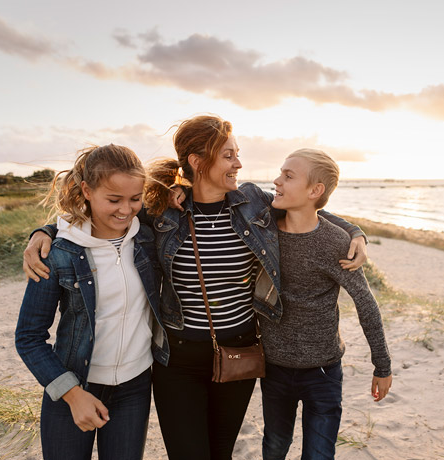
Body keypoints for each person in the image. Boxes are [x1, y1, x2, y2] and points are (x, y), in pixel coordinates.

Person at [23, 115, 368, 460]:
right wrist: (46, 232)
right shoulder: (162, 210)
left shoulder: (251, 202)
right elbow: (97, 215)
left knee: (220, 453)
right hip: (178, 360)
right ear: (197, 162)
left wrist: (355, 232)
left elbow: (305, 208)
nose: (239, 163)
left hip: (239, 353)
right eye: (229, 155)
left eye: (238, 153)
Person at [15, 144, 169, 460]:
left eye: (135, 198)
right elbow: (29, 338)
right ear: (86, 190)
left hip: (134, 388)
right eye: (113, 200)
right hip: (73, 385)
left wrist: (177, 191)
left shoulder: (148, 238)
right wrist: (72, 395)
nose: (126, 210)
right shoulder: (59, 253)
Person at [260, 148, 393, 460]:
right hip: (274, 368)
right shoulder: (264, 229)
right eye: (280, 173)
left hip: (323, 371)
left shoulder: (335, 243)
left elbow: (366, 304)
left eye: (288, 176)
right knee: (274, 447)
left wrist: (382, 366)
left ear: (314, 190)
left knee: (319, 455)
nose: (276, 181)